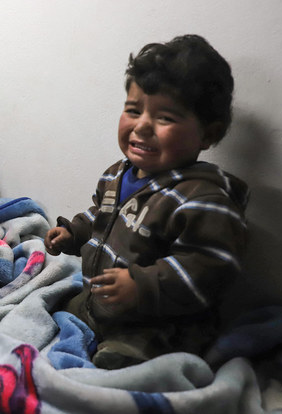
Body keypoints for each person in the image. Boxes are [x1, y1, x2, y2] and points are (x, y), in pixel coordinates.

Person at [44, 34, 249, 369]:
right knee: (49, 314)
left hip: (156, 323)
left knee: (119, 361)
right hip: (100, 301)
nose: (142, 126)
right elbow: (101, 217)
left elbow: (209, 269)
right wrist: (74, 232)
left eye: (165, 117)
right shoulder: (116, 174)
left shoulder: (203, 200)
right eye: (133, 110)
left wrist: (141, 286)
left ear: (208, 134)